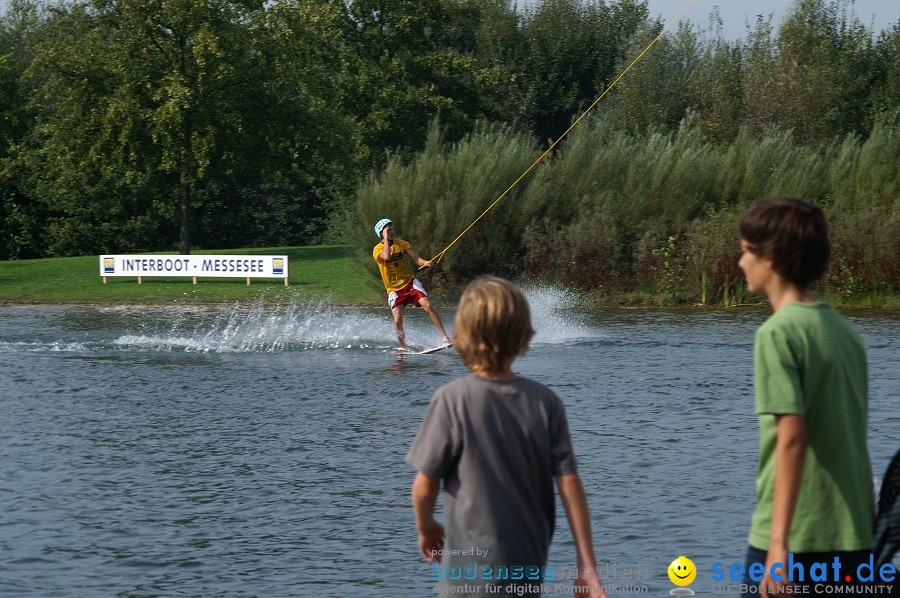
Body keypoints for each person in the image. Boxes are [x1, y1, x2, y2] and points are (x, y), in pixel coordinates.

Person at [406, 276, 606, 598]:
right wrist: (587, 568)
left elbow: (423, 488)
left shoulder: (451, 399)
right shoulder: (546, 402)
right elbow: (570, 486)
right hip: (525, 567)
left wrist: (426, 528)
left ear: (464, 335)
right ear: (524, 336)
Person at [738, 197, 873, 598]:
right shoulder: (846, 333)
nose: (740, 262)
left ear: (772, 259)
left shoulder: (777, 334)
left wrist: (779, 546)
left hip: (797, 538)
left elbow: (792, 438)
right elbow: (855, 434)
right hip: (855, 538)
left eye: (746, 252)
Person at [372, 218, 451, 351]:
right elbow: (386, 257)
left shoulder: (402, 244)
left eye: (392, 228)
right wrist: (386, 239)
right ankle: (403, 347)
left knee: (429, 305)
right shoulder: (377, 249)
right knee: (397, 321)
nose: (392, 231)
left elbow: (417, 259)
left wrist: (426, 262)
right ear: (381, 233)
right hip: (394, 290)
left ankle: (445, 337)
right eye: (388, 229)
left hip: (410, 283)